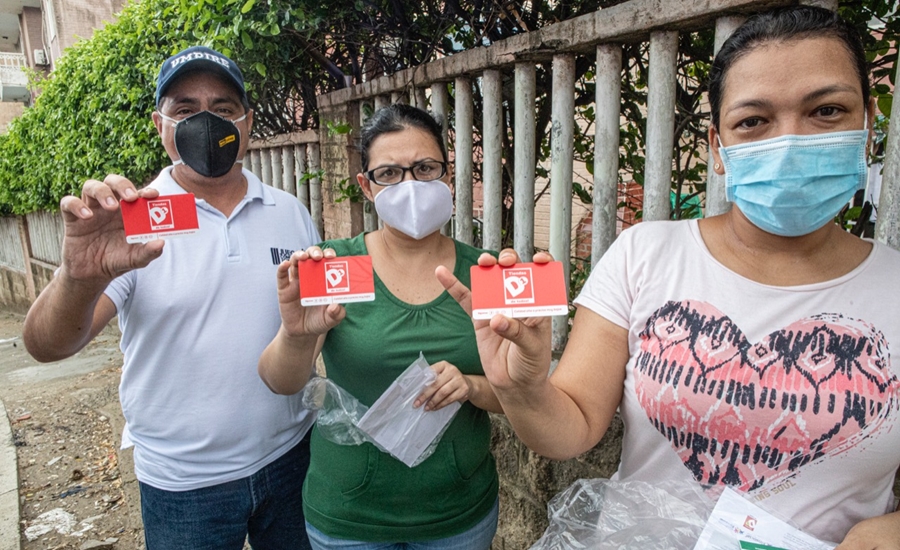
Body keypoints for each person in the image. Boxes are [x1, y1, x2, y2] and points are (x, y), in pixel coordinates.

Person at [436, 6, 900, 548]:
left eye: (826, 110)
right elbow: (573, 428)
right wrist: (523, 388)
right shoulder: (644, 255)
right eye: (753, 121)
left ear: (868, 122)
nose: (790, 140)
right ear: (717, 147)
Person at [22, 46, 319, 550]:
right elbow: (47, 346)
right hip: (184, 486)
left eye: (223, 109)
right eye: (185, 109)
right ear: (160, 124)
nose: (206, 122)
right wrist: (78, 276)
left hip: (293, 458)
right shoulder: (133, 223)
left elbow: (310, 324)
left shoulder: (290, 211)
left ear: (246, 122)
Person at [258, 104, 502, 550]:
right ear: (366, 187)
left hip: (458, 517)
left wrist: (471, 386)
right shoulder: (332, 266)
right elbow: (281, 381)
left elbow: (519, 395)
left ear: (447, 175)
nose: (410, 185)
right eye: (389, 173)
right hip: (349, 519)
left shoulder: (484, 273)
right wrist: (296, 335)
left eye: (425, 168)